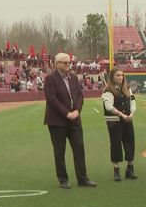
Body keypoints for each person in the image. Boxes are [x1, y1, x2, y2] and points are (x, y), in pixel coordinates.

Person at [43, 52, 96, 189]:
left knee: (79, 148)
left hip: (75, 119)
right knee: (59, 151)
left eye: (69, 62)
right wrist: (67, 113)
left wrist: (77, 111)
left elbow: (79, 96)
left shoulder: (73, 77)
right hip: (57, 121)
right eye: (65, 62)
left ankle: (82, 178)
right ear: (57, 64)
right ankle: (63, 179)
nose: (68, 65)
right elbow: (52, 99)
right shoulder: (50, 79)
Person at [101, 68, 137, 181]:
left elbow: (133, 101)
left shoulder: (127, 88)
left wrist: (131, 113)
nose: (120, 77)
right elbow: (109, 107)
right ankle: (116, 170)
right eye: (117, 75)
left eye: (122, 75)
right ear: (112, 77)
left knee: (130, 142)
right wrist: (122, 115)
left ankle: (130, 169)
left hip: (127, 120)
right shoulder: (108, 90)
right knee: (116, 144)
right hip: (114, 121)